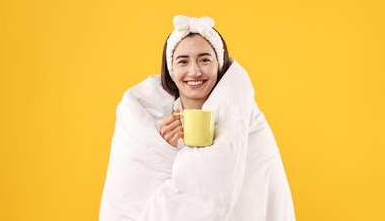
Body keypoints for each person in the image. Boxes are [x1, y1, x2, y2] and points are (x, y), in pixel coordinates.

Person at [99, 15, 296, 220]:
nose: (194, 71)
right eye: (183, 61)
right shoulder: (151, 122)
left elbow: (260, 191)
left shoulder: (246, 119)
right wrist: (165, 147)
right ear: (171, 70)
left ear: (218, 66)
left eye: (204, 60)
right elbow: (131, 193)